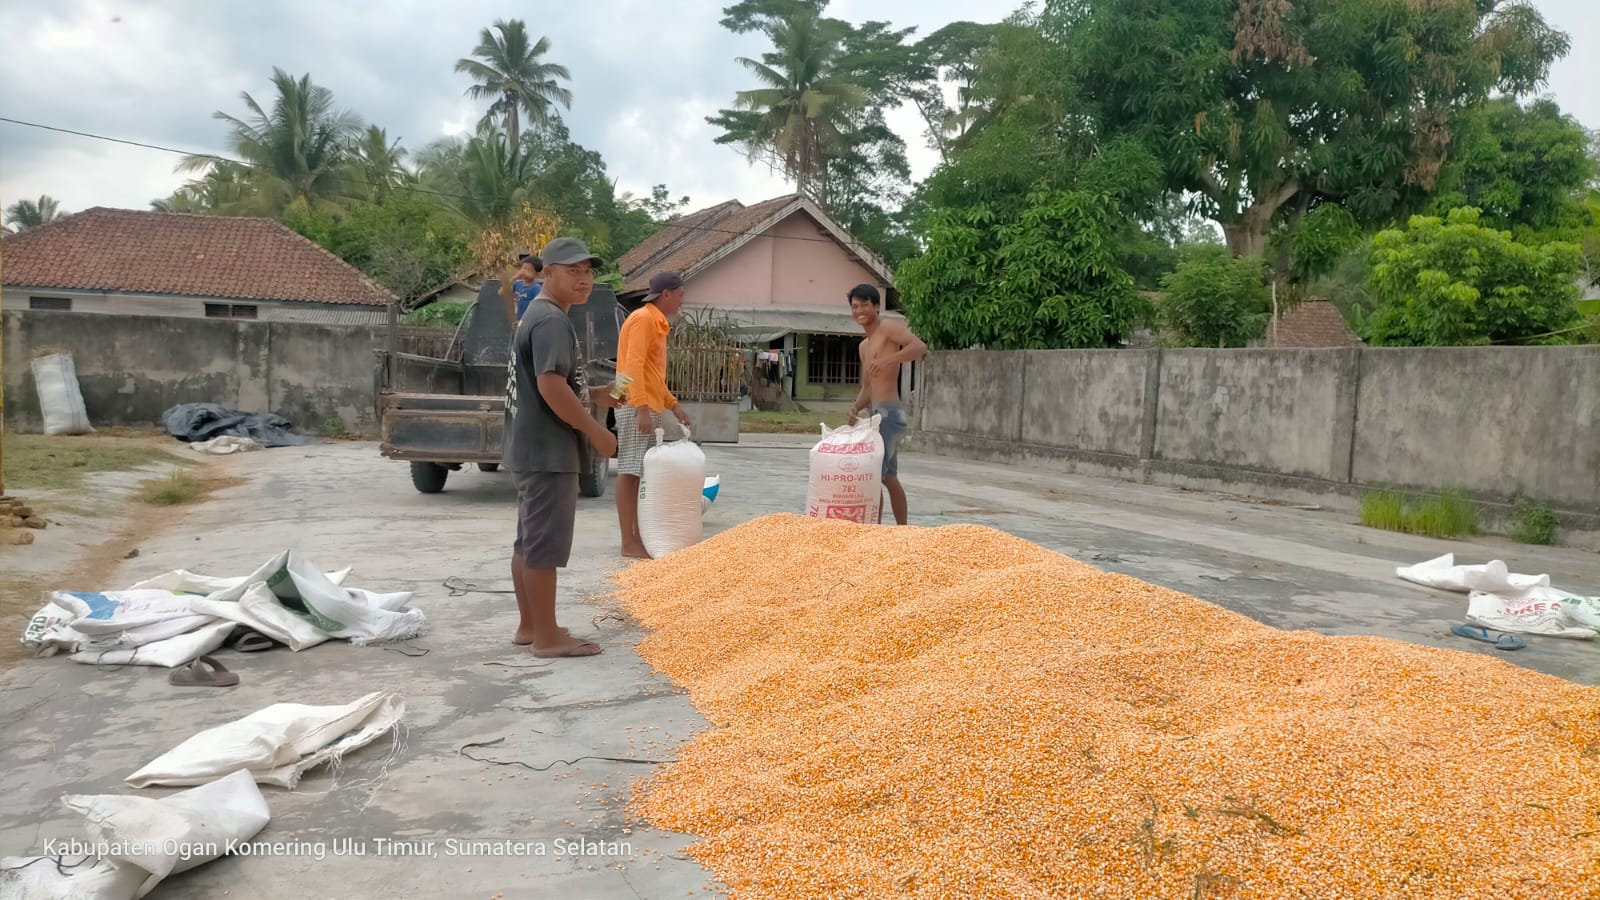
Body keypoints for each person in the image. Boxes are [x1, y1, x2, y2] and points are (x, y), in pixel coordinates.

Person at [503, 237, 619, 658]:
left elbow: (559, 383)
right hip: (548, 451)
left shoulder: (541, 315)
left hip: (531, 448)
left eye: (588, 272)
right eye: (573, 271)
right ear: (547, 273)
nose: (584, 279)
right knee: (544, 547)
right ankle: (548, 638)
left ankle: (531, 626)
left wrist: (600, 394)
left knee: (528, 542)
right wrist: (596, 430)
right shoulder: (551, 319)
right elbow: (550, 386)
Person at [613, 271, 693, 558]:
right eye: (681, 295)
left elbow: (651, 375)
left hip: (644, 404)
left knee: (639, 475)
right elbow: (631, 366)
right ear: (667, 294)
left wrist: (673, 405)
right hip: (638, 406)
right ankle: (628, 542)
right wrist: (641, 408)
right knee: (630, 473)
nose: (683, 301)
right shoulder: (645, 320)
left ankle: (637, 537)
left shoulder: (654, 322)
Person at [845, 283, 927, 526]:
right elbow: (868, 388)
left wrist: (889, 360)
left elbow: (919, 347)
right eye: (855, 306)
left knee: (874, 476)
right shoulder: (863, 347)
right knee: (888, 476)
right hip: (875, 415)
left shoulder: (889, 327)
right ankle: (899, 531)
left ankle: (877, 531)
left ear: (877, 306)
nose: (859, 310)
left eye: (864, 305)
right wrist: (855, 407)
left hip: (890, 414)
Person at [511, 254, 543, 320]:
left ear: (537, 274)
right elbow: (501, 292)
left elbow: (540, 307)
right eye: (523, 269)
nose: (525, 272)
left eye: (529, 270)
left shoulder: (536, 288)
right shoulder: (517, 284)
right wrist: (514, 278)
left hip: (528, 321)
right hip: (517, 320)